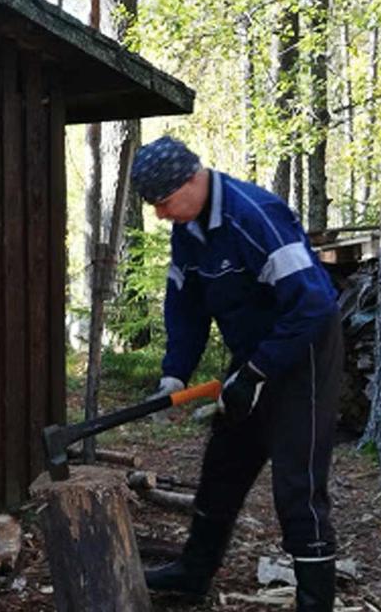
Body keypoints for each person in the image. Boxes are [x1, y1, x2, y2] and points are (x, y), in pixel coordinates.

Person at [131, 136, 342, 612]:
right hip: (252, 354)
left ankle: (315, 600)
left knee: (297, 484)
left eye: (164, 203)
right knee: (223, 463)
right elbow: (184, 306)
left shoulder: (253, 216)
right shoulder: (189, 231)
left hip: (303, 353)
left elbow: (314, 303)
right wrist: (175, 373)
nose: (161, 215)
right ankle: (193, 572)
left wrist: (257, 372)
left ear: (192, 179)